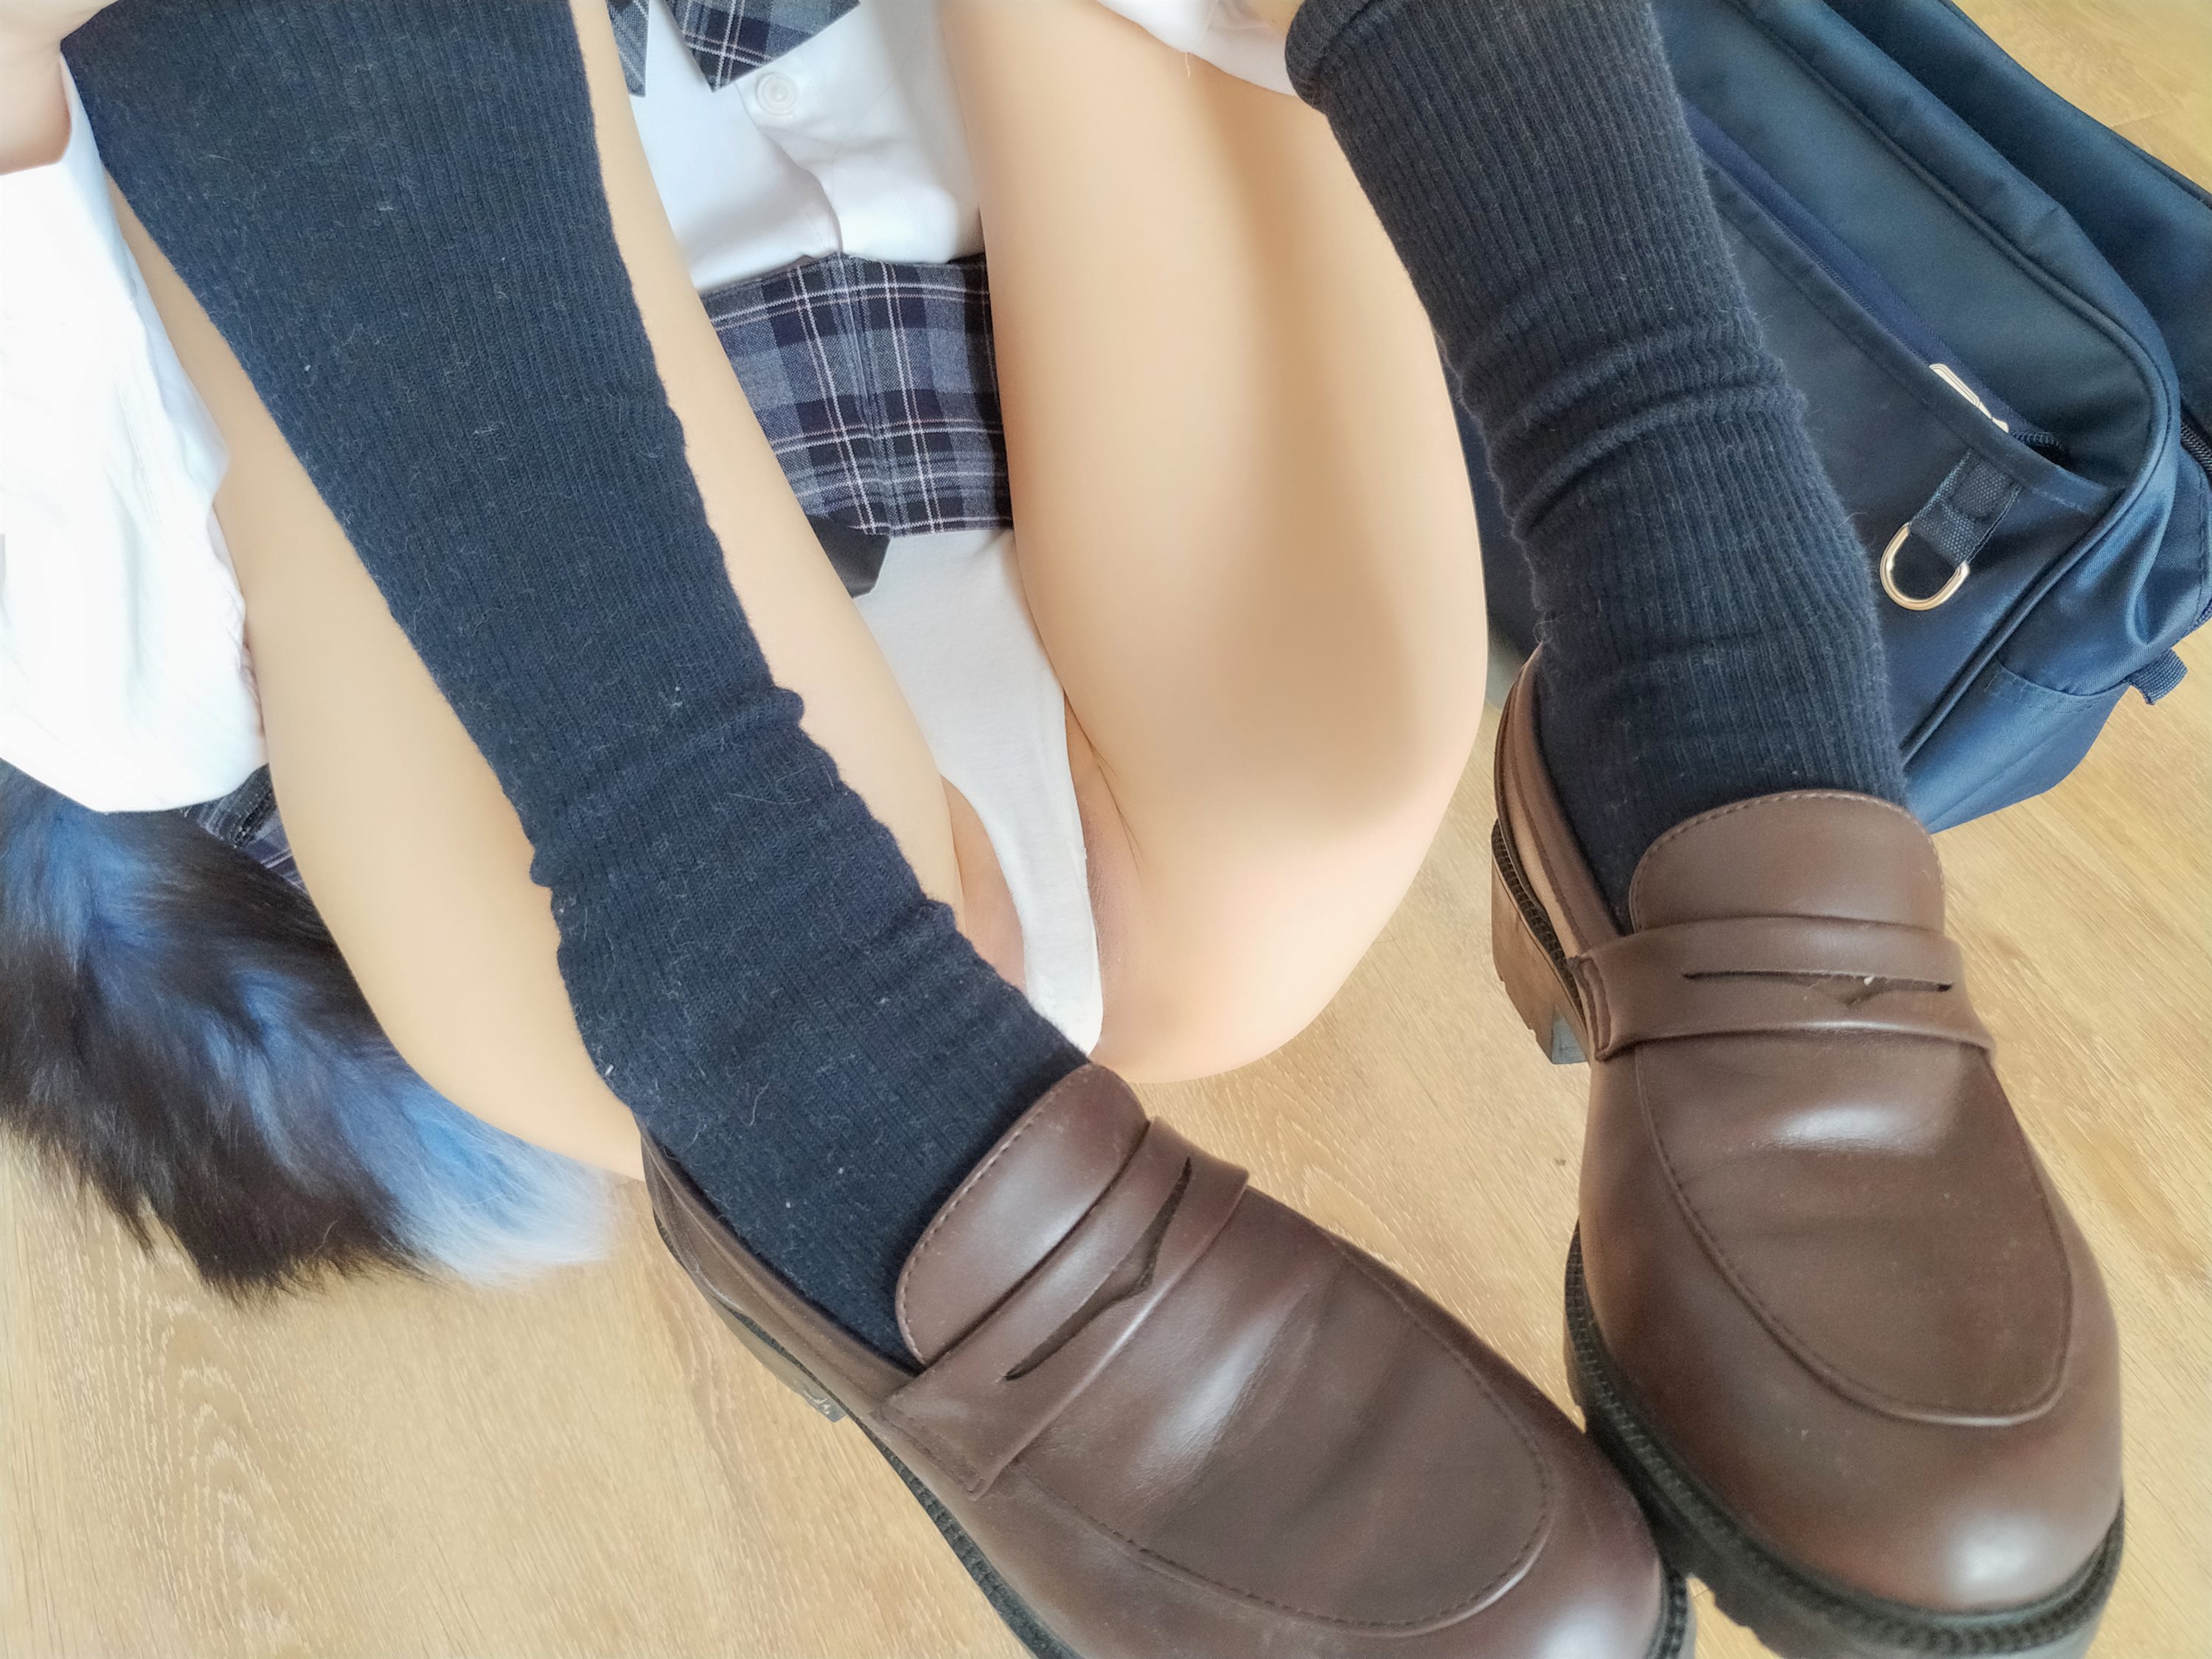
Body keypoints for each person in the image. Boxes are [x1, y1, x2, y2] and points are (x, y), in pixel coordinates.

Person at [0, 1, 2119, 1656]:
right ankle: (788, 997)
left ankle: (1699, 601)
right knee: (1220, 868)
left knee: (1274, 830)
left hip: (1004, 265)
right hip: (491, 524)